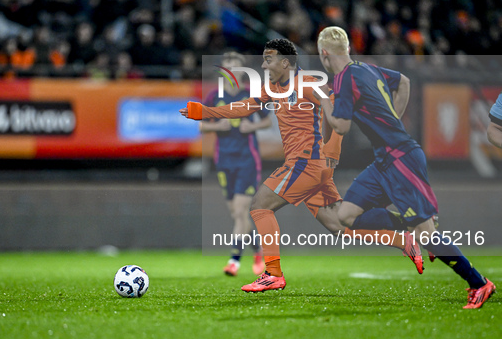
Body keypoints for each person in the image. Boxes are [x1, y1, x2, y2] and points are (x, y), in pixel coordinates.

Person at [180, 39, 420, 293]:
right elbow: (245, 107)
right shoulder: (272, 87)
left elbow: (339, 112)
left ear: (285, 62)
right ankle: (403, 241)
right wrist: (208, 112)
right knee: (338, 225)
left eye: (268, 59)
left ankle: (272, 273)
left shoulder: (308, 84)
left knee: (260, 206)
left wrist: (333, 148)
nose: (263, 64)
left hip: (306, 162)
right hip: (308, 165)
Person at [315, 26, 496, 309]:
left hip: (401, 158)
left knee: (428, 236)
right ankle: (407, 228)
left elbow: (342, 126)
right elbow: (405, 82)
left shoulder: (343, 79)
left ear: (324, 53)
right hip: (383, 160)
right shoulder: (367, 69)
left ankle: (479, 283)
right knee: (346, 216)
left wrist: (323, 100)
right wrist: (393, 120)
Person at [202, 51, 271, 276]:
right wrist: (216, 126)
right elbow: (202, 125)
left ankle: (234, 261)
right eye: (227, 66)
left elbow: (268, 120)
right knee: (237, 214)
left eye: (235, 66)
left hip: (247, 159)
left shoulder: (251, 95)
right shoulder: (214, 97)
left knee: (241, 211)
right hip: (224, 160)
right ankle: (259, 250)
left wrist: (251, 127)